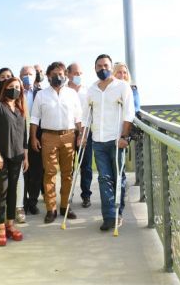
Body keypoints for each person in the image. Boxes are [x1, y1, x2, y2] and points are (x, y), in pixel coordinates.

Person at [84, 54, 135, 231]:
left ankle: (118, 213)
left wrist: (124, 136)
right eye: (99, 66)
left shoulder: (122, 87)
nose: (102, 69)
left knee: (118, 178)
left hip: (116, 140)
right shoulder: (91, 89)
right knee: (104, 178)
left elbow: (129, 113)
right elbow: (86, 115)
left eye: (105, 65)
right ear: (95, 68)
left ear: (110, 67)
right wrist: (83, 135)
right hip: (98, 140)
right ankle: (109, 217)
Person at [30, 62, 82, 223]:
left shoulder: (72, 94)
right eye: (54, 74)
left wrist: (80, 136)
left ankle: (65, 206)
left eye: (60, 74)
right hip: (48, 137)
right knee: (50, 173)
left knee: (68, 174)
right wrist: (33, 137)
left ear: (65, 75)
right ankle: (51, 208)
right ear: (48, 76)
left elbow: (78, 117)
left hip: (69, 136)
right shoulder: (41, 95)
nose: (57, 77)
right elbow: (34, 118)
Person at [0, 77, 29, 246]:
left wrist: (25, 156)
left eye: (17, 87)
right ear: (5, 88)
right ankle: (1, 227)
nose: (15, 89)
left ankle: (10, 224)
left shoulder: (20, 109)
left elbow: (23, 135)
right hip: (1, 157)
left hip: (17, 157)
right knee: (2, 191)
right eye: (11, 87)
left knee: (13, 191)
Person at [67, 62, 93, 208]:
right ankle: (67, 195)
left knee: (86, 165)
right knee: (68, 167)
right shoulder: (63, 91)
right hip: (69, 132)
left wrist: (84, 132)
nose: (78, 76)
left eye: (80, 73)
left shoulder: (87, 91)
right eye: (76, 73)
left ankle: (86, 195)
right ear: (68, 74)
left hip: (86, 132)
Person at [20, 65, 43, 215]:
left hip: (37, 138)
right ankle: (21, 203)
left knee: (36, 172)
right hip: (19, 138)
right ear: (20, 76)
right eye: (25, 74)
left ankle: (33, 201)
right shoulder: (15, 91)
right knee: (22, 173)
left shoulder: (41, 93)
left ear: (36, 77)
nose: (27, 76)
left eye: (30, 74)